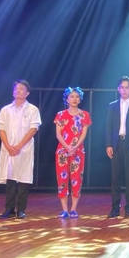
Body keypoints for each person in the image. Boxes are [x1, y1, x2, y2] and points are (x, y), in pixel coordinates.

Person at [0, 80, 41, 219]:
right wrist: (8, 146)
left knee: (23, 179)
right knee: (10, 179)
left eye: (21, 89)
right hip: (8, 148)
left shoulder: (32, 109)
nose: (18, 91)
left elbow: (33, 129)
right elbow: (1, 128)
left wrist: (20, 145)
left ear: (27, 93)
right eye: (16, 88)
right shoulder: (5, 109)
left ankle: (21, 209)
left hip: (24, 149)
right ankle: (9, 209)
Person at [105, 76, 129, 218]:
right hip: (116, 144)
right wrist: (108, 145)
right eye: (122, 87)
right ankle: (115, 208)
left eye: (127, 87)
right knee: (115, 178)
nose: (124, 90)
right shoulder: (112, 105)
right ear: (118, 89)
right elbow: (108, 126)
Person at [54, 86, 91, 219]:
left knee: (76, 179)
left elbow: (83, 134)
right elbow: (58, 134)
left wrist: (74, 147)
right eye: (72, 96)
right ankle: (64, 209)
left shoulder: (84, 115)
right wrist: (67, 147)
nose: (74, 99)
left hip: (78, 150)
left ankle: (74, 209)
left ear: (80, 99)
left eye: (77, 97)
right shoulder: (60, 115)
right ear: (67, 99)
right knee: (62, 179)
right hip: (62, 151)